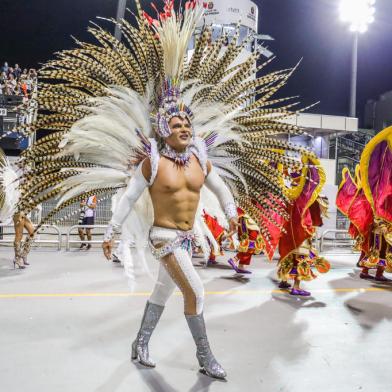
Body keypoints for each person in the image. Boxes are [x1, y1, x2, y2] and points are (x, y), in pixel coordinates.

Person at [18, 0, 319, 380]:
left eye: (187, 124)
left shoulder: (200, 160)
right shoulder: (153, 163)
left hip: (188, 236)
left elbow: (222, 187)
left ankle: (139, 343)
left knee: (162, 292)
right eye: (177, 124)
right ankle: (206, 358)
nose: (185, 128)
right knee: (196, 293)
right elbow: (128, 198)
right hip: (163, 237)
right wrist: (111, 233)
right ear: (164, 130)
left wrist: (231, 218)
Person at [227, 207, 264, 274]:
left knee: (248, 243)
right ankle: (235, 259)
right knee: (251, 244)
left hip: (246, 219)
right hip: (248, 220)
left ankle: (241, 266)